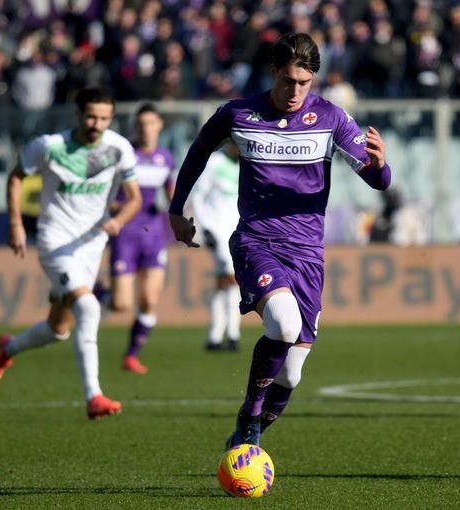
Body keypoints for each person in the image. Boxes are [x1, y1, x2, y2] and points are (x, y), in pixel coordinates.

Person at [168, 32, 391, 447]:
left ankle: (244, 442)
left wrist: (380, 167)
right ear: (273, 72)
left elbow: (377, 180)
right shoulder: (238, 113)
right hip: (257, 241)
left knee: (291, 373)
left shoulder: (331, 118)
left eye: (305, 83)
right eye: (288, 81)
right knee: (284, 325)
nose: (295, 91)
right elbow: (198, 152)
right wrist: (176, 209)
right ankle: (249, 419)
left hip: (307, 253)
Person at [0, 87, 143, 420]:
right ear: (78, 114)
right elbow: (16, 178)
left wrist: (117, 222)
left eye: (104, 118)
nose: (97, 124)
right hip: (54, 241)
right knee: (88, 306)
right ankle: (94, 396)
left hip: (91, 245)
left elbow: (135, 198)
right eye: (91, 117)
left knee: (58, 328)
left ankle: (8, 348)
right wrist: (16, 224)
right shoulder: (49, 146)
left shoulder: (118, 149)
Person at [104, 103, 177, 374]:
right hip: (125, 231)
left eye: (151, 123)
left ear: (160, 125)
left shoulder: (166, 158)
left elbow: (172, 192)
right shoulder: (125, 156)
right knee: (120, 304)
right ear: (135, 127)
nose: (146, 129)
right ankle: (99, 291)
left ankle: (131, 355)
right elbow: (105, 193)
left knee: (149, 301)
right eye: (141, 124)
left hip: (153, 232)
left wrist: (181, 213)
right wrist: (113, 209)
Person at [190, 142, 242, 352]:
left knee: (223, 281)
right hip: (217, 230)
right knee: (233, 277)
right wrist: (205, 227)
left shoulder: (247, 166)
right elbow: (198, 196)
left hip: (237, 230)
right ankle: (233, 335)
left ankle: (215, 336)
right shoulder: (215, 163)